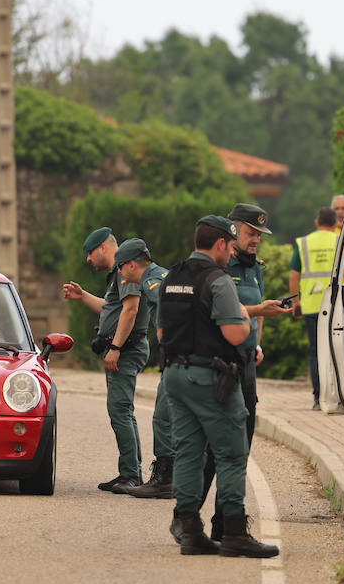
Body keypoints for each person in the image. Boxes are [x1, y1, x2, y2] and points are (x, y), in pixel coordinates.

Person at [158, 215, 277, 558]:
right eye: (229, 245)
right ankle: (235, 532)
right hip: (211, 377)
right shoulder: (218, 280)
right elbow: (236, 334)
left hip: (175, 377)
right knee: (231, 453)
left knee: (190, 453)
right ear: (222, 244)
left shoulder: (172, 277)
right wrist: (243, 312)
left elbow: (163, 335)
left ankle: (190, 528)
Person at [193, 203, 293, 535]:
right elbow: (227, 308)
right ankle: (189, 517)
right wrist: (256, 310)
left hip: (246, 361)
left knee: (242, 441)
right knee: (215, 446)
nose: (256, 241)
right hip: (221, 362)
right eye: (251, 234)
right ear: (234, 231)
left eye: (260, 235)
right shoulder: (221, 265)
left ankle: (225, 520)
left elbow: (256, 312)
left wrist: (257, 343)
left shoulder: (255, 267)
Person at [61, 227, 148, 495]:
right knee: (122, 411)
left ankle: (131, 475)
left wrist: (116, 347)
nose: (88, 259)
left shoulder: (126, 269)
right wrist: (83, 296)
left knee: (120, 410)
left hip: (126, 349)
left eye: (90, 253)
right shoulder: (117, 275)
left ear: (103, 248)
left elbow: (131, 309)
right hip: (123, 348)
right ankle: (129, 471)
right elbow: (112, 309)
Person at [115, 238, 178, 500]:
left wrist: (165, 337)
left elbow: (166, 311)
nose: (118, 272)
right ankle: (175, 476)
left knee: (162, 417)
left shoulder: (152, 281)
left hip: (177, 355)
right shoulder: (165, 273)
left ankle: (164, 478)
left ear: (131, 265)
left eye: (120, 267)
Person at [289, 207, 344, 409]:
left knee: (316, 352)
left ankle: (318, 398)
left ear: (317, 222)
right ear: (336, 224)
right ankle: (337, 395)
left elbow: (294, 276)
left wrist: (296, 302)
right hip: (336, 306)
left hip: (310, 306)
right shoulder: (341, 242)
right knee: (338, 349)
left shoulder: (303, 243)